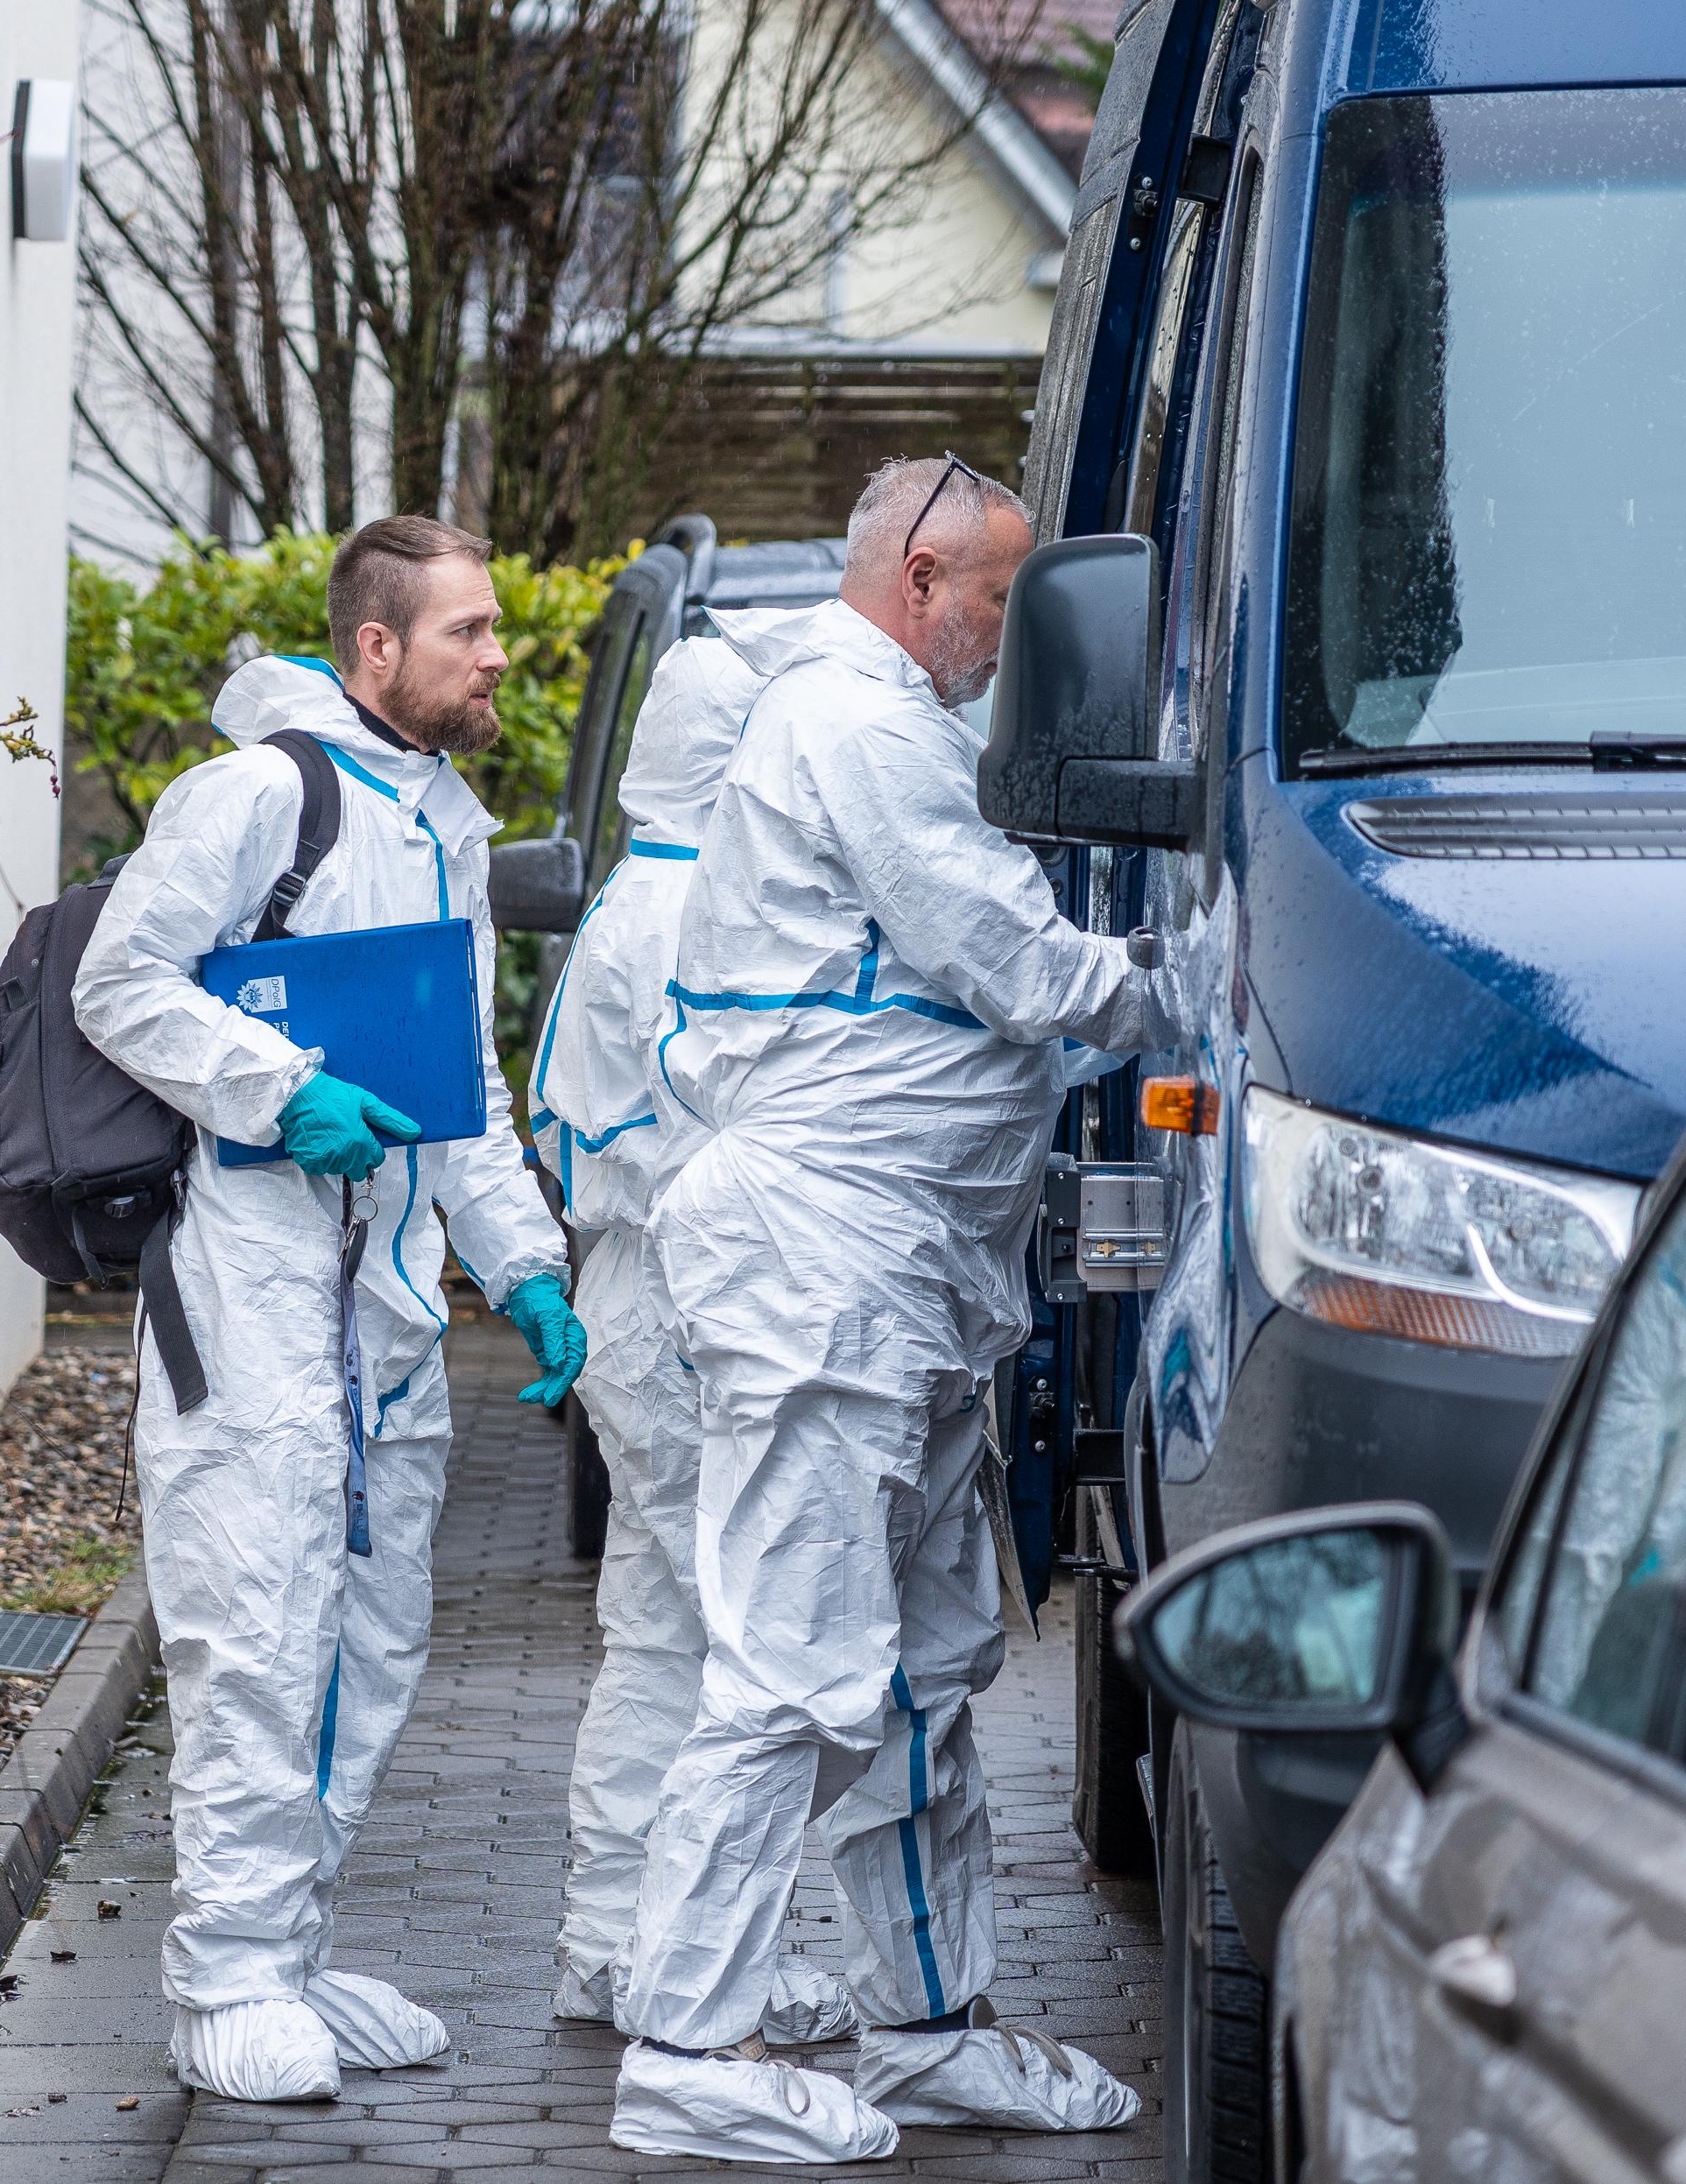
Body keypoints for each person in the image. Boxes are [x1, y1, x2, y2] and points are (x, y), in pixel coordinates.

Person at [613, 458, 1159, 2161]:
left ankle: (927, 2023)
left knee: (922, 1668)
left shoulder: (881, 723)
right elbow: (1005, 956)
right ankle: (684, 2049)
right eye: (994, 596)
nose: (1003, 636)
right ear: (925, 572)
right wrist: (1192, 988)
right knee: (788, 1668)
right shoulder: (855, 722)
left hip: (903, 1277)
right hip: (819, 1265)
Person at [74, 515, 589, 2103]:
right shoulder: (258, 797)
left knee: (369, 1629)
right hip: (251, 1273)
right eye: (470, 632)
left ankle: (288, 1953)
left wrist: (527, 1264)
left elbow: (464, 1089)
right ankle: (221, 1979)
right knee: (261, 1612)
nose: (499, 654)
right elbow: (118, 981)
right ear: (377, 647)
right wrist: (278, 1088)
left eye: (496, 628)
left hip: (383, 1292)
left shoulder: (442, 824)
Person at [533, 628, 859, 2053]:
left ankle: (612, 1943)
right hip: (692, 1301)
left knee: (659, 1637)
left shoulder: (632, 892)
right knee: (747, 1638)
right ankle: (706, 1968)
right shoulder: (703, 920)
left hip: (630, 1287)